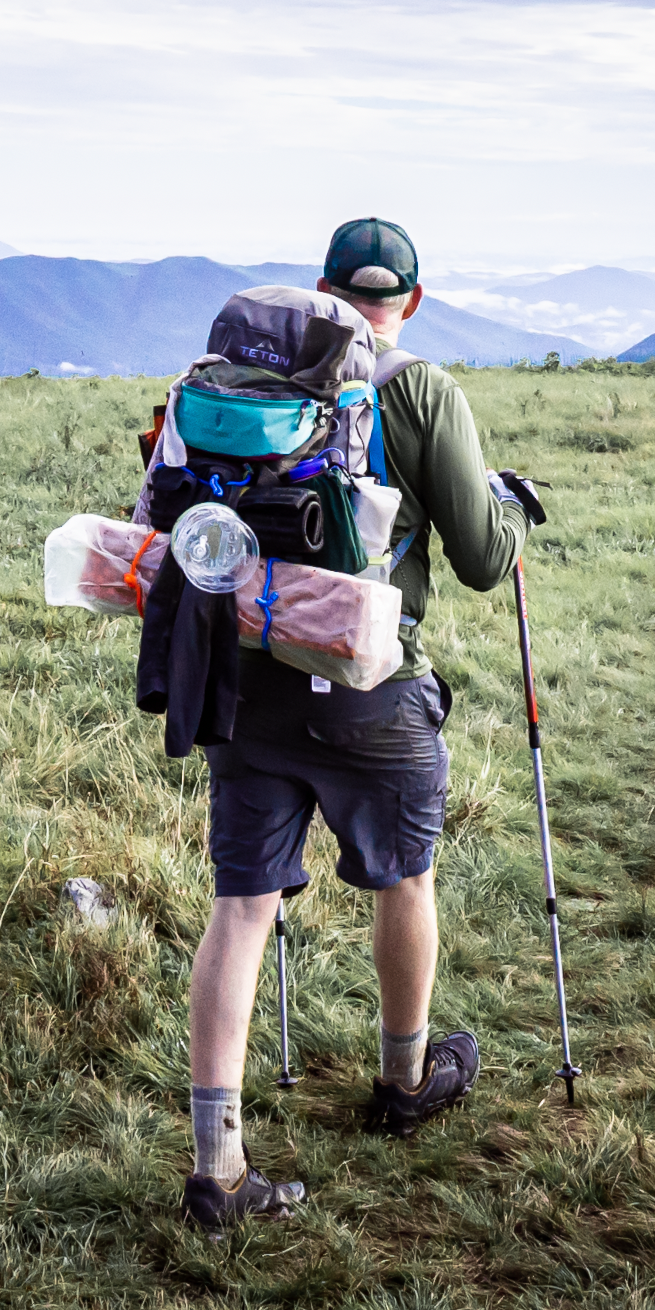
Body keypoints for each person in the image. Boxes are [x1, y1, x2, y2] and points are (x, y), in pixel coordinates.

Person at [183, 216, 533, 1229]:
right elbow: (476, 554)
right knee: (403, 874)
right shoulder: (419, 388)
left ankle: (217, 1168)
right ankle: (405, 1079)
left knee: (241, 906)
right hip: (370, 681)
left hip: (245, 672)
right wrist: (510, 507)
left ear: (322, 289)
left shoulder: (239, 378)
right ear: (408, 302)